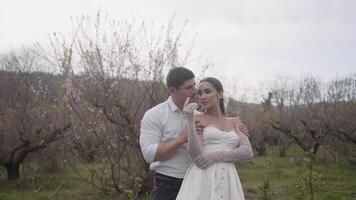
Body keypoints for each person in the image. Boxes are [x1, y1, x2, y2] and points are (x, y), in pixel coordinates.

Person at [140, 68, 249, 200]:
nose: (194, 91)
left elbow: (244, 150)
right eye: (189, 88)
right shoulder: (155, 114)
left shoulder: (199, 115)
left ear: (220, 94)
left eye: (194, 86)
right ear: (173, 90)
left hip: (202, 178)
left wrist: (237, 136)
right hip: (168, 182)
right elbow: (149, 154)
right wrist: (181, 139)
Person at [176, 77, 253, 200]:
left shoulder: (235, 121)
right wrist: (190, 121)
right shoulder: (197, 119)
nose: (203, 97)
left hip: (228, 176)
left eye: (208, 91)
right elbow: (197, 157)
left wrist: (215, 156)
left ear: (220, 93)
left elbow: (247, 152)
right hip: (203, 176)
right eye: (200, 93)